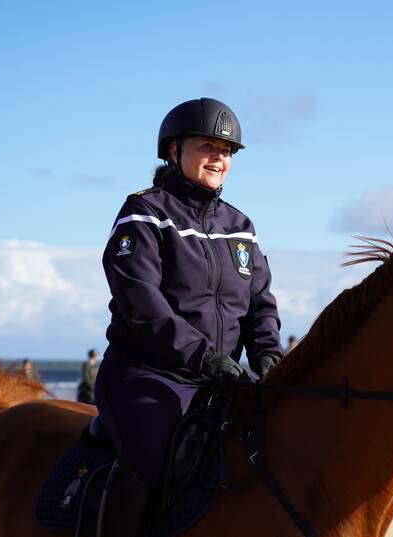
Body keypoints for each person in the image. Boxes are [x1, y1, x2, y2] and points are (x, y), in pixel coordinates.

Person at [95, 98, 284, 537]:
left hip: (223, 379)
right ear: (173, 151)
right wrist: (203, 357)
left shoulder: (241, 226)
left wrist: (269, 355)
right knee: (154, 451)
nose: (219, 157)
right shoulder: (144, 212)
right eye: (207, 146)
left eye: (227, 150)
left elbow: (260, 303)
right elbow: (140, 302)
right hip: (146, 374)